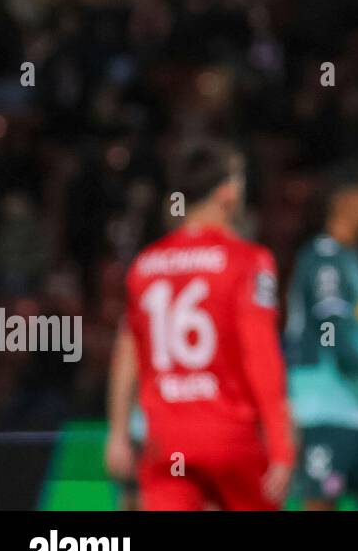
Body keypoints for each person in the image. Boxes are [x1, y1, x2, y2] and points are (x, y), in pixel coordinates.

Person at [107, 143, 294, 510]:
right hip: (230, 439)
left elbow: (127, 352)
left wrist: (117, 433)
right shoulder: (248, 261)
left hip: (165, 441)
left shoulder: (145, 265)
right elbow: (261, 356)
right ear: (227, 191)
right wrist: (281, 445)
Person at [283, 160, 358, 509]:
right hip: (324, 413)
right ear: (346, 200)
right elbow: (331, 335)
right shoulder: (324, 260)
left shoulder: (351, 260)